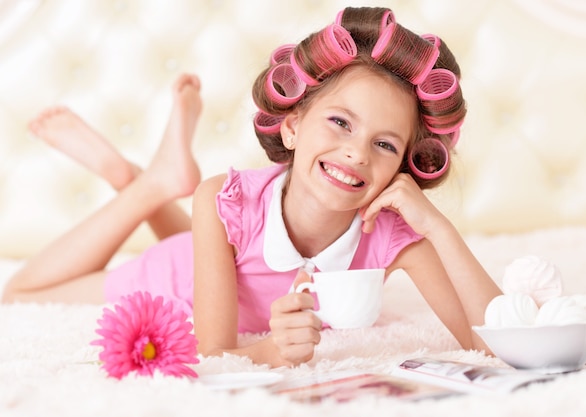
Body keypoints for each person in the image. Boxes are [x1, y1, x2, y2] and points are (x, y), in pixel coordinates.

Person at [2, 7, 502, 368]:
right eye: (340, 123)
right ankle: (142, 185)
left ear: (402, 170)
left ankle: (149, 180)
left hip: (219, 241)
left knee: (217, 227)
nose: (357, 154)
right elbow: (214, 353)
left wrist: (437, 226)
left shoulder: (394, 232)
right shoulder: (225, 199)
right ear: (291, 127)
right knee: (20, 293)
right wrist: (270, 351)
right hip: (175, 278)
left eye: (385, 145)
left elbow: (497, 343)